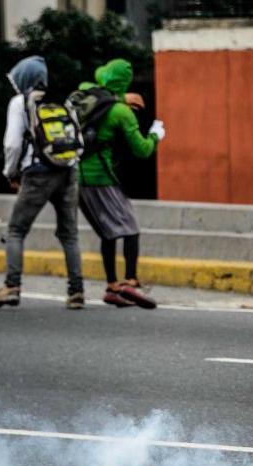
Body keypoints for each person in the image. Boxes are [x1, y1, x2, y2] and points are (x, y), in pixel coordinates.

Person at [0, 56, 85, 310]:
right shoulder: (63, 100)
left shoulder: (20, 102)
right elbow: (79, 141)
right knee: (69, 234)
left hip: (38, 172)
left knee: (16, 230)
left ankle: (12, 286)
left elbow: (12, 144)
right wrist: (66, 164)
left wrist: (10, 172)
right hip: (69, 170)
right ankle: (76, 291)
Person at [77, 58, 164, 309]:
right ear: (123, 83)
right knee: (130, 227)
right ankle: (131, 282)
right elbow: (142, 150)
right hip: (101, 177)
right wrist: (155, 135)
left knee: (108, 232)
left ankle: (112, 286)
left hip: (76, 175)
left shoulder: (84, 96)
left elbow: (102, 96)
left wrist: (119, 98)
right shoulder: (121, 112)